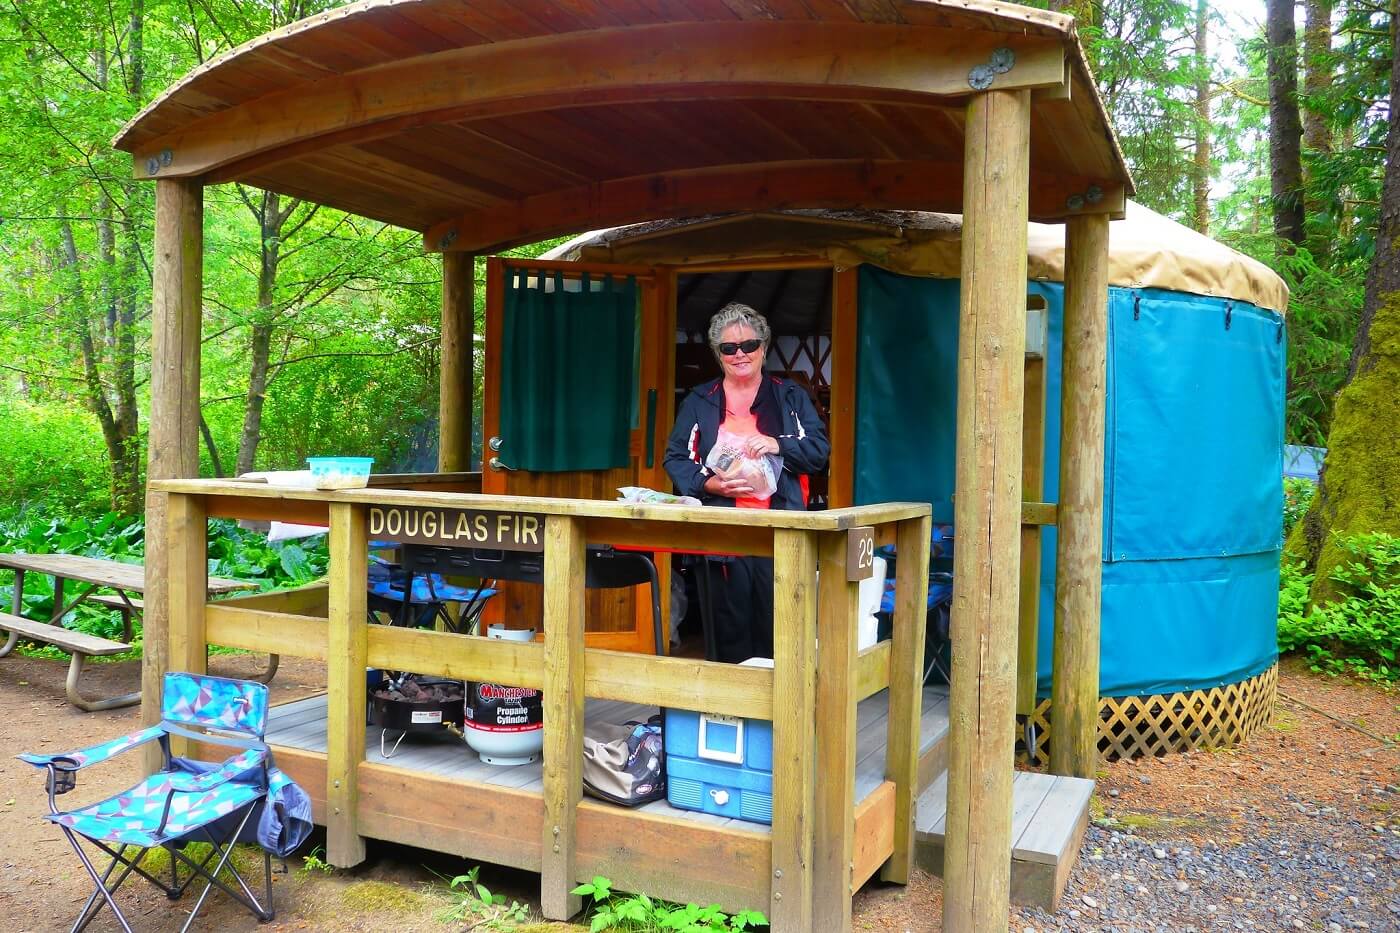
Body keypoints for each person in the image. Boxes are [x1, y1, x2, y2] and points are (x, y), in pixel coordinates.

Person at [663, 303, 830, 662]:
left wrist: (778, 444)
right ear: (718, 354)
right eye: (728, 348)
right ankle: (730, 714)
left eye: (749, 345)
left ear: (764, 348)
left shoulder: (789, 397)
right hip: (723, 533)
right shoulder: (700, 401)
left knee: (780, 628)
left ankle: (782, 715)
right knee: (727, 629)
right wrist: (710, 486)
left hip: (780, 531)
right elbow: (675, 457)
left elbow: (818, 452)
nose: (740, 354)